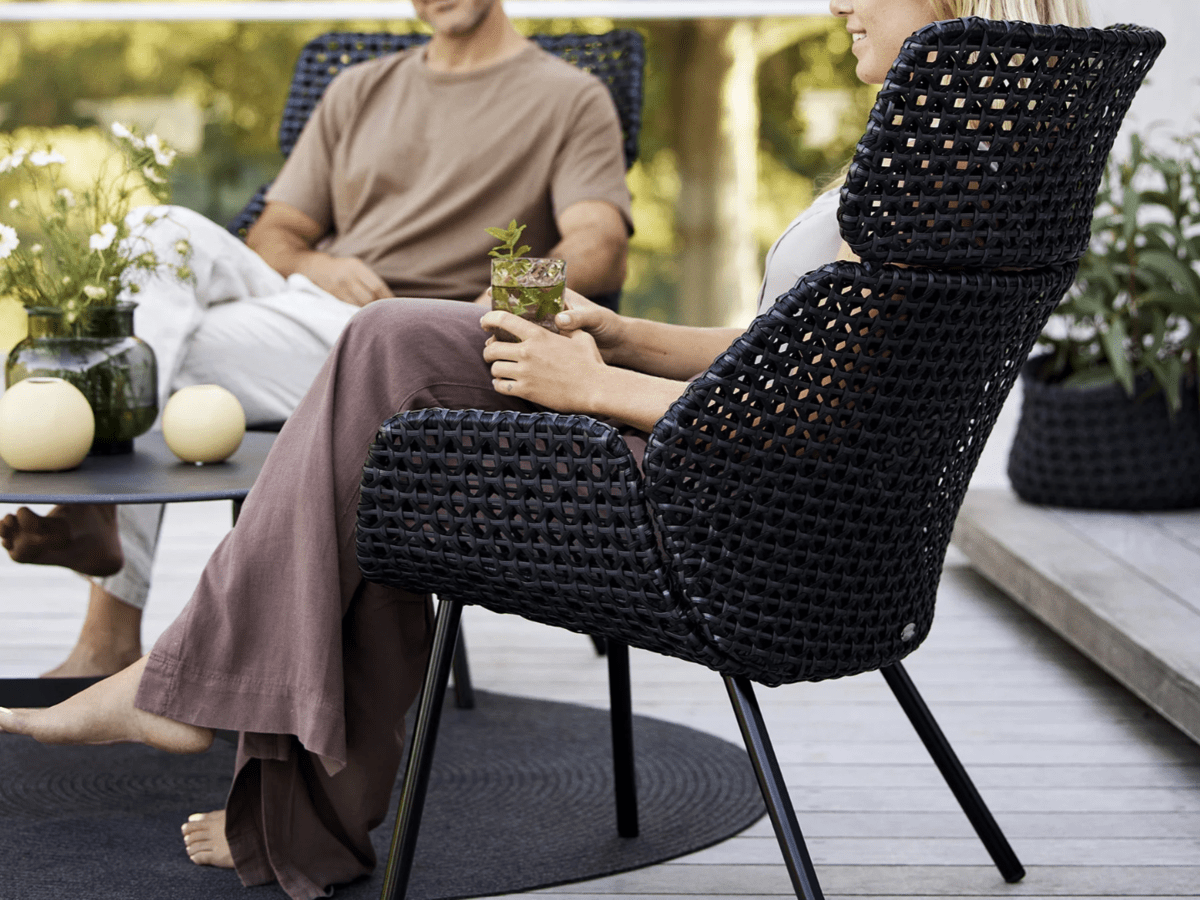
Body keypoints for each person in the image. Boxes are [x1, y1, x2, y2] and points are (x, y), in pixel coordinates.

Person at [0, 1, 1093, 898]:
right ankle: (225, 728)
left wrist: (598, 386)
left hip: (714, 504)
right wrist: (621, 336)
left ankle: (198, 699)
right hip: (744, 478)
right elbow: (788, 354)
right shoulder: (964, 156)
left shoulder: (936, 173)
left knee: (376, 413)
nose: (837, 3)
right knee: (381, 367)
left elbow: (818, 419)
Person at [0, 0, 632, 679]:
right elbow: (274, 234)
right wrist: (318, 263)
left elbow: (600, 246)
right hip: (307, 311)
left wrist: (500, 304)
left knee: (162, 347)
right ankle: (103, 554)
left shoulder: (569, 96)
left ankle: (107, 609)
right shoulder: (359, 88)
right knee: (157, 233)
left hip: (413, 342)